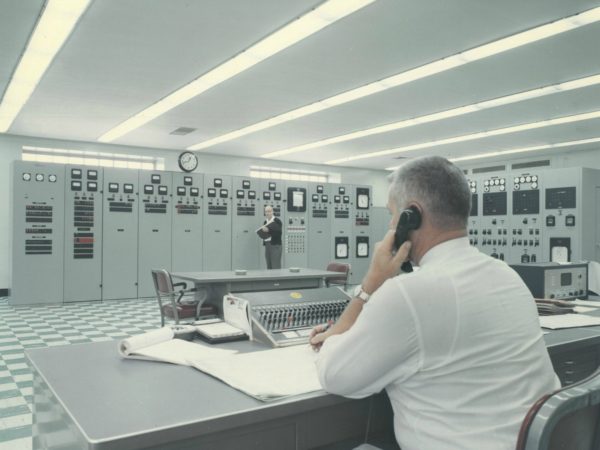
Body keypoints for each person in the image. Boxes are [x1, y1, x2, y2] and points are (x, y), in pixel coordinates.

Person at [310, 156, 559, 450]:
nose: (390, 225)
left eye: (393, 215)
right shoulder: (507, 275)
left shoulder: (409, 294)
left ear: (410, 216)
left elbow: (335, 376)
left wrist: (370, 285)